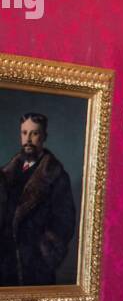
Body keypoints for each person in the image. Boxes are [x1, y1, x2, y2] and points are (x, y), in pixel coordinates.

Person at [0, 112, 76, 286]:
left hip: (35, 267)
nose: (28, 139)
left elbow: (65, 223)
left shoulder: (56, 177)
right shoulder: (5, 176)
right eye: (24, 133)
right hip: (4, 262)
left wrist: (43, 255)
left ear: (44, 137)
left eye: (34, 133)